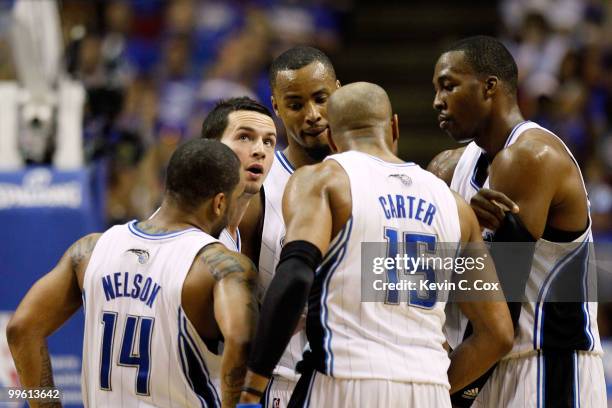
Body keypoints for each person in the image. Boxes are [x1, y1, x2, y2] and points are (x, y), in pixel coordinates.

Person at [240, 82, 513, 407]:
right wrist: (436, 385)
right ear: (394, 126)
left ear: (332, 139)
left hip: (345, 381)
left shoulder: (324, 180)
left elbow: (295, 276)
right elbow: (498, 334)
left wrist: (253, 387)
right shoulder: (455, 206)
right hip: (429, 388)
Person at [7, 139, 259, 408]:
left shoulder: (90, 250)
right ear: (220, 203)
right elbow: (240, 338)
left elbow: (21, 329)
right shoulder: (218, 264)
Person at [429, 35, 606, 407]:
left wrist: (445, 391)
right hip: (478, 362)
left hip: (547, 367)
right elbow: (415, 281)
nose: (437, 101)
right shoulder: (446, 168)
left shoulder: (531, 156)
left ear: (490, 86)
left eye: (449, 85)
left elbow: (501, 313)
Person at [236, 45, 341, 407]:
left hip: (359, 377)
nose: (312, 115)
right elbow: (241, 307)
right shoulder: (257, 191)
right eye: (296, 105)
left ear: (339, 92)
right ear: (277, 107)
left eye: (321, 99)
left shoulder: (373, 180)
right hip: (285, 380)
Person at [200, 96, 277, 253]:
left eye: (268, 141)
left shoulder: (230, 233)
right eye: (244, 137)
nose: (260, 151)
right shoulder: (192, 233)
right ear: (211, 147)